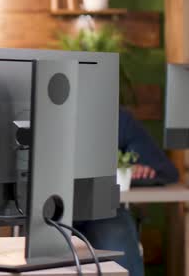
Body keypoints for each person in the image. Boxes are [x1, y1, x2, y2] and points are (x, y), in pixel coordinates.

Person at [74, 108, 179, 276]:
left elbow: (164, 170)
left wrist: (131, 171)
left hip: (102, 208)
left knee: (117, 241)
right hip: (45, 210)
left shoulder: (114, 118)